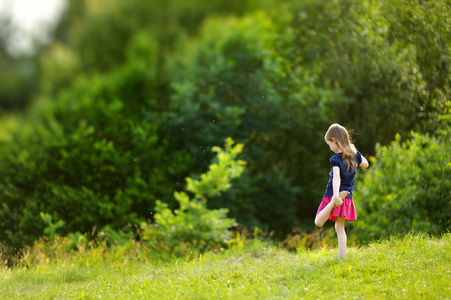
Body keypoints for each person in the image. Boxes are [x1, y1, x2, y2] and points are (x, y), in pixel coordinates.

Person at [314, 123, 369, 259]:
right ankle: (342, 257)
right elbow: (366, 164)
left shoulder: (335, 159)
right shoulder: (354, 156)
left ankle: (332, 202)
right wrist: (355, 151)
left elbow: (336, 177)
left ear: (334, 140)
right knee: (340, 228)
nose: (330, 148)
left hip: (333, 194)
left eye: (329, 145)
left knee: (318, 222)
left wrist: (335, 196)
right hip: (347, 196)